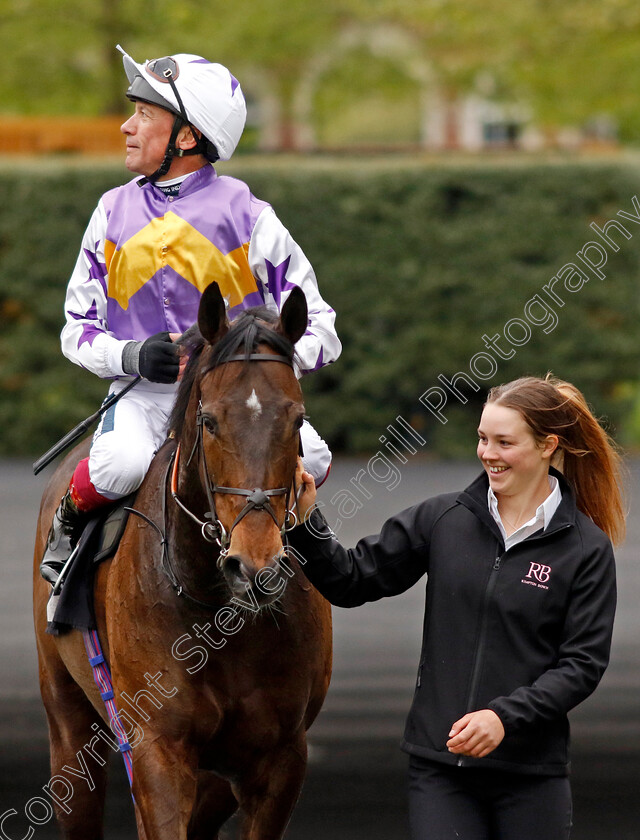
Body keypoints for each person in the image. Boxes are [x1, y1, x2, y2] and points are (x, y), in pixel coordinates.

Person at [40, 46, 341, 585]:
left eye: (144, 114)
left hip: (234, 403)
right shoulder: (110, 211)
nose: (128, 127)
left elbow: (320, 324)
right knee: (119, 466)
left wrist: (258, 364)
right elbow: (76, 328)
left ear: (185, 136)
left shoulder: (251, 216)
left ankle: (312, 572)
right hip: (144, 397)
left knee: (312, 458)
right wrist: (129, 355)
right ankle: (68, 527)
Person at [289, 375, 624, 840]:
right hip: (440, 771)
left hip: (532, 776)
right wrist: (305, 523)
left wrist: (503, 718)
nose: (488, 453)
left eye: (504, 442)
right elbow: (350, 580)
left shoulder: (585, 548)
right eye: (483, 438)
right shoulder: (443, 518)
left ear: (548, 445)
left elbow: (582, 664)